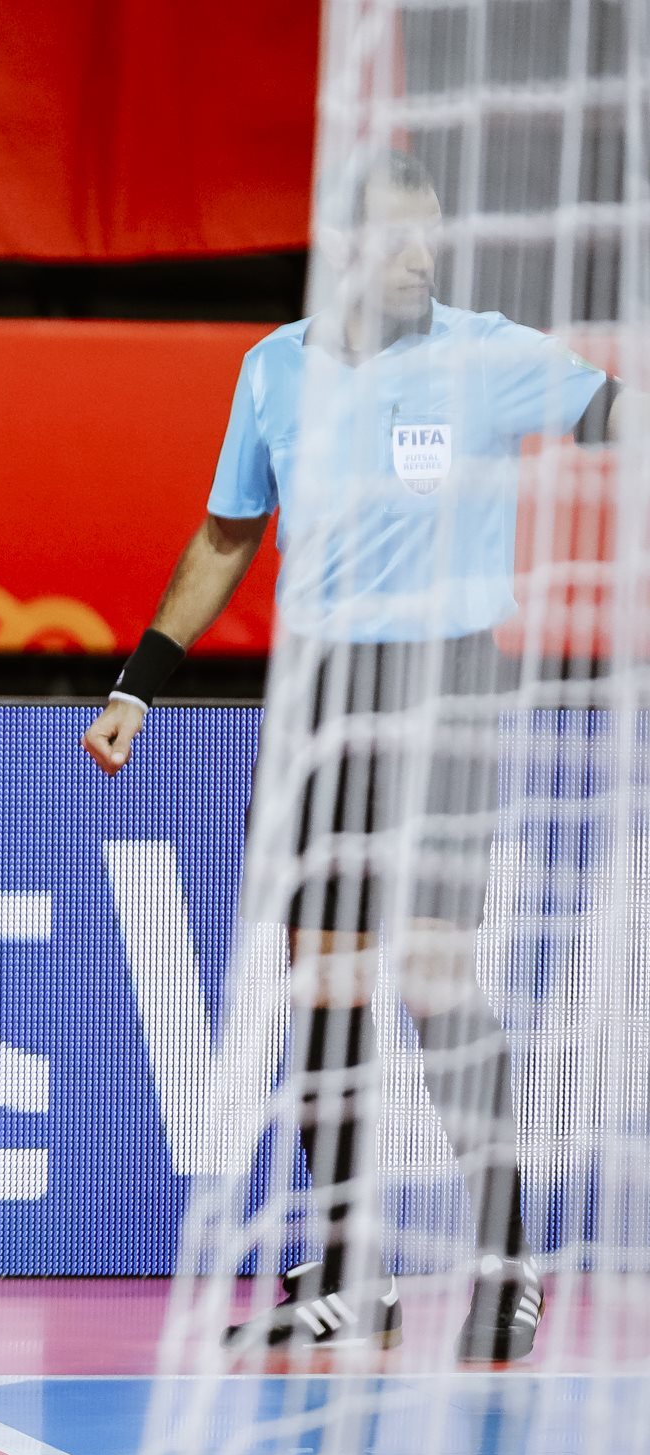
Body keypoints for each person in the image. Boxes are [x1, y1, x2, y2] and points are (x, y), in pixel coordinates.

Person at [81, 149, 637, 1363]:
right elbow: (229, 532)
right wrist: (138, 687)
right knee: (322, 984)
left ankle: (508, 1258)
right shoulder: (271, 370)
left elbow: (619, 420)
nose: (420, 258)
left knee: (434, 978)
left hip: (444, 691)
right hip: (321, 699)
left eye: (428, 236)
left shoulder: (487, 351)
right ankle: (348, 1272)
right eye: (395, 238)